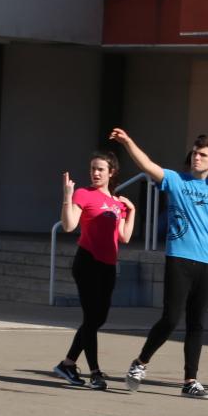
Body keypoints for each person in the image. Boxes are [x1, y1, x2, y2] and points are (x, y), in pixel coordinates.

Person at [109, 128, 208, 400]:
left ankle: (190, 380)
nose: (197, 158)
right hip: (179, 260)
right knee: (171, 318)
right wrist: (128, 142)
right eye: (195, 153)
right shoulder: (176, 180)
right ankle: (141, 362)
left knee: (197, 323)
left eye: (203, 155)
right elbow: (147, 165)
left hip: (206, 263)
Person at [53, 151, 136, 391]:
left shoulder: (116, 202)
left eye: (100, 169)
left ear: (112, 172)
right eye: (92, 168)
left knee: (98, 318)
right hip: (87, 262)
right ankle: (95, 373)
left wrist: (131, 213)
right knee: (91, 318)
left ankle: (68, 364)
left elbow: (125, 237)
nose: (95, 173)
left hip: (108, 266)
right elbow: (69, 226)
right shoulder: (83, 194)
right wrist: (67, 197)